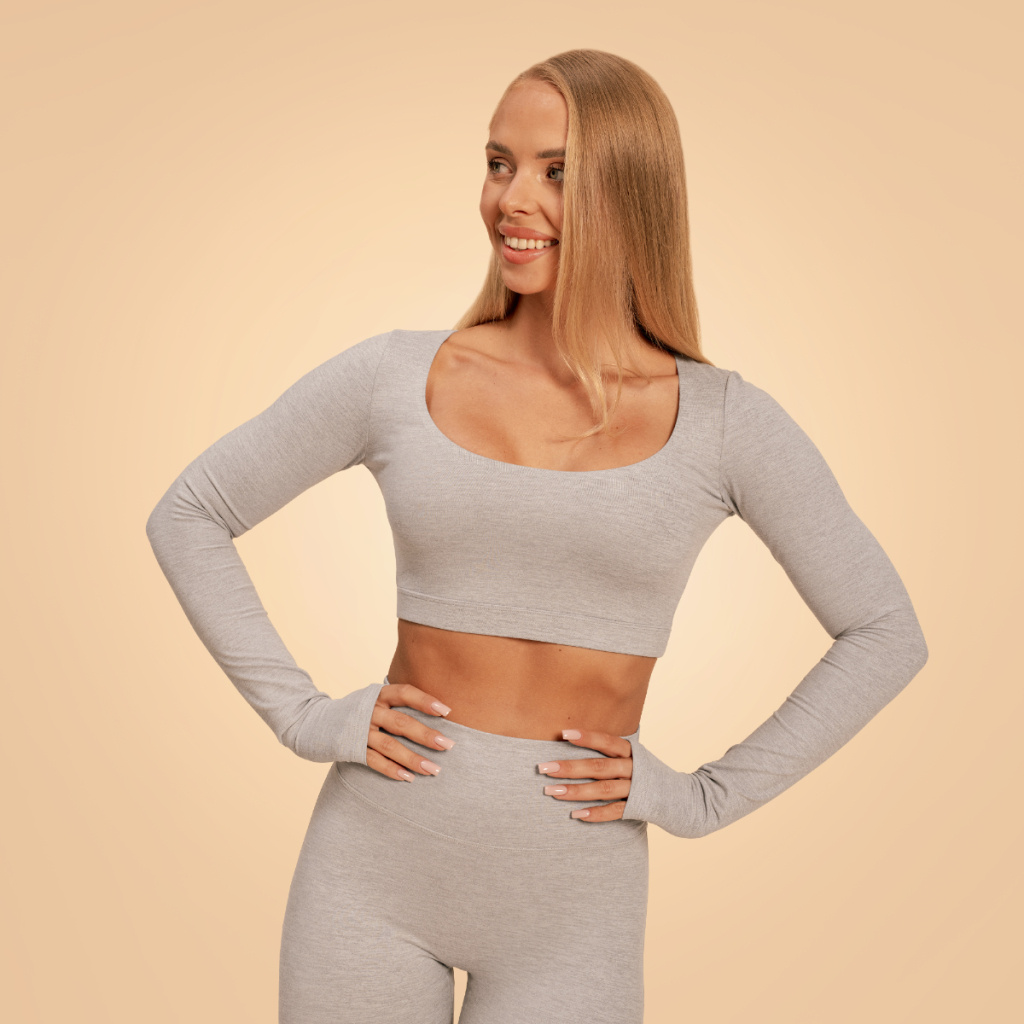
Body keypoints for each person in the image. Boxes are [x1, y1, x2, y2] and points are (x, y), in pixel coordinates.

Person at [146, 49, 928, 1024]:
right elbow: (190, 513)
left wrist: (705, 798)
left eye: (556, 171)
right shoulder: (395, 376)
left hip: (573, 910)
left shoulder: (724, 422)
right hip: (370, 875)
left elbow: (885, 632)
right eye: (498, 163)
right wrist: (302, 716)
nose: (511, 198)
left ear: (630, 192)